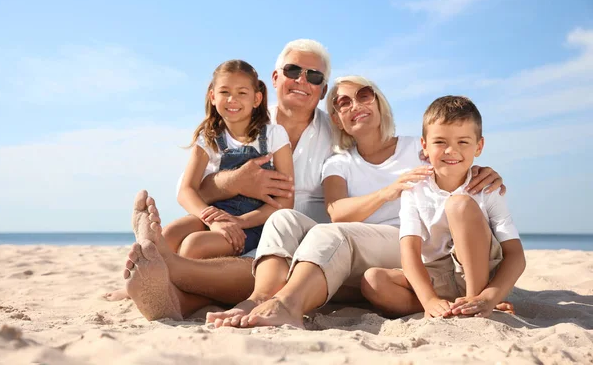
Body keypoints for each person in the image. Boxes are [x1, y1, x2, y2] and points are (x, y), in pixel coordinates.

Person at [114, 40, 505, 322]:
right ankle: (169, 293)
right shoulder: (248, 118)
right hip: (266, 224)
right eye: (293, 71)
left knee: (222, 247)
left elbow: (449, 156)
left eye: (314, 76)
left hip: (330, 240)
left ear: (320, 91)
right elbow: (200, 189)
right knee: (190, 230)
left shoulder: (362, 138)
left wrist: (480, 172)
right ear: (274, 77)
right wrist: (235, 182)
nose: (302, 80)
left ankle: (174, 275)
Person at [207, 76, 507, 329]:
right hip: (355, 248)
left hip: (412, 243)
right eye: (343, 102)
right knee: (283, 219)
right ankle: (258, 298)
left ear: (379, 103)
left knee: (331, 234)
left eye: (364, 95)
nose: (356, 105)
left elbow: (456, 161)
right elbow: (337, 212)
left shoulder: (417, 146)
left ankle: (288, 306)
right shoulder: (338, 163)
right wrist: (388, 192)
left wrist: (486, 172)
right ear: (337, 119)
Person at [361, 95, 526, 318]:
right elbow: (409, 251)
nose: (451, 150)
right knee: (373, 280)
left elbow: (516, 256)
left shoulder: (487, 187)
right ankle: (447, 307)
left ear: (479, 146)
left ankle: (475, 301)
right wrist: (429, 300)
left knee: (458, 205)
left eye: (463, 142)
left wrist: (489, 296)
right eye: (440, 142)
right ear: (424, 146)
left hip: (483, 275)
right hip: (438, 276)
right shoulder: (414, 189)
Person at [164, 59, 293, 259]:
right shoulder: (208, 137)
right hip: (217, 214)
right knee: (168, 235)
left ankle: (175, 284)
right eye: (225, 92)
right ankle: (149, 284)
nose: (232, 99)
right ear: (212, 96)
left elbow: (286, 201)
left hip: (255, 223)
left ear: (256, 99)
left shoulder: (274, 135)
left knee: (193, 246)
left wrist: (239, 222)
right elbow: (186, 191)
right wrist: (213, 220)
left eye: (242, 93)